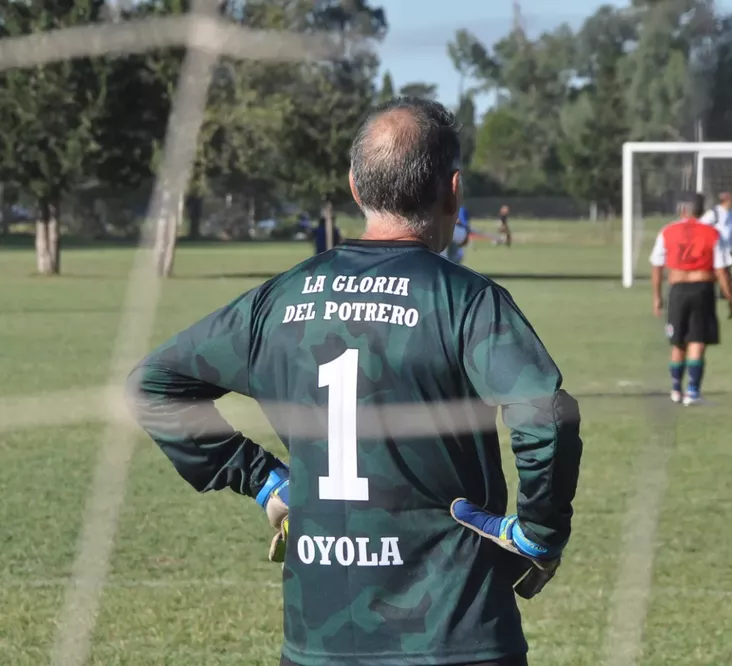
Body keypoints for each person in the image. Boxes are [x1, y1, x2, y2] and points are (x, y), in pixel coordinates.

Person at [126, 97, 583, 666]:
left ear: (354, 186)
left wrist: (264, 479)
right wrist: (540, 532)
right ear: (454, 190)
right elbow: (543, 414)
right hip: (454, 633)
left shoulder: (278, 300)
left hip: (322, 637)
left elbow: (155, 385)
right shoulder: (467, 301)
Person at [650, 193, 732, 406]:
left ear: (682, 210)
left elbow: (656, 265)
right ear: (702, 210)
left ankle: (676, 390)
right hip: (702, 289)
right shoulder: (713, 233)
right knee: (697, 340)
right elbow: (721, 270)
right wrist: (729, 297)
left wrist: (657, 297)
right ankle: (693, 392)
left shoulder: (667, 231)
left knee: (678, 341)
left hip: (677, 289)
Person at [700, 192, 732, 298]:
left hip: (728, 247)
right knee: (718, 271)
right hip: (717, 247)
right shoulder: (714, 212)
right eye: (730, 200)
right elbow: (702, 225)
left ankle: (724, 292)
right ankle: (711, 290)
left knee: (727, 270)